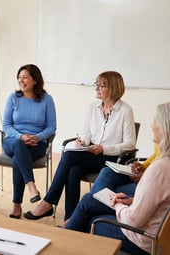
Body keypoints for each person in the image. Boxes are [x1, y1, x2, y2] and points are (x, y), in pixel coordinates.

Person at [24, 71, 136, 221]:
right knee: (73, 170)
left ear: (114, 88)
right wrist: (83, 142)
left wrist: (104, 148)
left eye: (101, 85)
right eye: (96, 84)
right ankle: (70, 219)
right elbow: (87, 133)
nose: (96, 88)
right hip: (92, 154)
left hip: (112, 159)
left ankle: (48, 202)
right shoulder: (93, 107)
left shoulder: (125, 111)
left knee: (69, 155)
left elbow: (130, 144)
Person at [65, 102, 170, 255]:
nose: (152, 126)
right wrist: (130, 201)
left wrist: (118, 206)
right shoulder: (164, 166)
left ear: (165, 128)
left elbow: (133, 220)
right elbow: (159, 201)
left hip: (142, 240)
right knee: (88, 201)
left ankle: (62, 244)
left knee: (91, 219)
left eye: (155, 121)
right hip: (154, 233)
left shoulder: (159, 169)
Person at [1, 64, 56, 218]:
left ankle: (16, 205)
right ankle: (32, 187)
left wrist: (37, 137)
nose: (21, 80)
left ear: (35, 80)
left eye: (25, 77)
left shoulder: (47, 100)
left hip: (36, 144)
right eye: (19, 77)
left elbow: (52, 127)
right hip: (13, 140)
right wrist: (21, 137)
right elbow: (6, 125)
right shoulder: (13, 98)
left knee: (18, 160)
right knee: (19, 146)